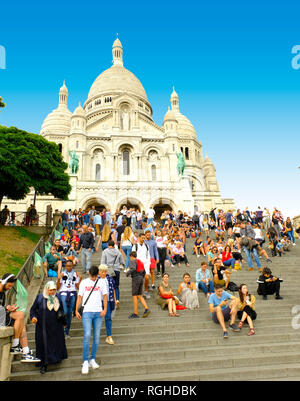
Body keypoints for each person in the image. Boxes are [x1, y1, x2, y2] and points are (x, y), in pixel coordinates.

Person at [0, 273, 40, 362]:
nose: (10, 288)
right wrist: (6, 308)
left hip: (2, 316)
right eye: (9, 286)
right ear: (5, 282)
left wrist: (10, 308)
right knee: (20, 315)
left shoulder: (2, 293)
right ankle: (15, 346)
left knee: (21, 322)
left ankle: (25, 352)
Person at [75, 265, 108, 375]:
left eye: (95, 276)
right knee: (87, 334)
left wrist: (105, 309)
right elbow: (79, 297)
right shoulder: (84, 282)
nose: (94, 278)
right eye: (92, 276)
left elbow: (104, 297)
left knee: (97, 337)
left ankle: (92, 359)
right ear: (89, 274)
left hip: (98, 312)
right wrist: (76, 310)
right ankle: (85, 361)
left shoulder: (101, 282)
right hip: (87, 312)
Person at [30, 281, 68, 373]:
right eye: (51, 290)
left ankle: (55, 359)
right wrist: (33, 317)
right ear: (47, 289)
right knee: (44, 344)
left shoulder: (57, 297)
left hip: (55, 326)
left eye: (54, 290)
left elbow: (61, 310)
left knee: (55, 343)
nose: (52, 292)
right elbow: (33, 309)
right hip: (43, 326)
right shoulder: (40, 297)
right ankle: (44, 365)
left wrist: (64, 321)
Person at [57, 260, 82, 338]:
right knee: (65, 311)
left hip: (72, 294)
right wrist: (58, 279)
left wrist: (80, 278)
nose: (69, 267)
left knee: (69, 313)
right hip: (64, 293)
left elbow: (77, 287)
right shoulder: (62, 274)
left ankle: (66, 331)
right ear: (65, 266)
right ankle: (62, 328)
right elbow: (57, 287)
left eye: (70, 266)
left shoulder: (75, 274)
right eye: (67, 266)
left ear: (73, 266)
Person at [126, 251, 151, 319]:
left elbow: (133, 268)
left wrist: (127, 273)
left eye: (130, 257)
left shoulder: (133, 261)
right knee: (139, 295)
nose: (130, 259)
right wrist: (141, 277)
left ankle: (135, 313)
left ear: (131, 256)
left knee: (134, 295)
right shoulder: (140, 261)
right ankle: (146, 308)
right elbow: (144, 272)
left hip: (136, 278)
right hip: (141, 278)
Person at [101, 240, 124, 309]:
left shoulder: (105, 251)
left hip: (108, 271)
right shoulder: (118, 252)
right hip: (116, 270)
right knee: (116, 286)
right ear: (114, 245)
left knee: (108, 286)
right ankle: (117, 300)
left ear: (108, 245)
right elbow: (122, 261)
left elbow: (102, 262)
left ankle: (110, 300)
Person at [98, 264, 116, 345]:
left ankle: (109, 336)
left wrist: (115, 299)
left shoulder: (109, 279)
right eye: (102, 272)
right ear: (99, 272)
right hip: (97, 301)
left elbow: (113, 289)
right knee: (97, 318)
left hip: (108, 301)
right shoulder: (96, 280)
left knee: (108, 317)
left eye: (105, 271)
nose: (104, 273)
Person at [132, 233, 151, 299]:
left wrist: (148, 263)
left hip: (146, 264)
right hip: (138, 264)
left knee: (146, 278)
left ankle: (146, 291)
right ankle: (138, 292)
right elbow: (133, 256)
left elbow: (148, 255)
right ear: (139, 238)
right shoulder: (135, 246)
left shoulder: (146, 246)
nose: (143, 239)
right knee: (138, 279)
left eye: (144, 238)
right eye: (142, 238)